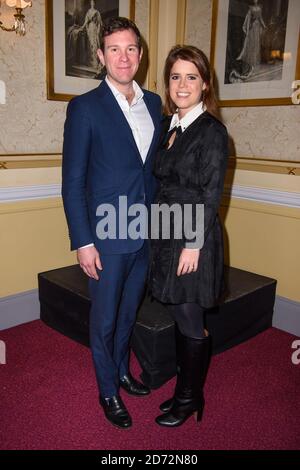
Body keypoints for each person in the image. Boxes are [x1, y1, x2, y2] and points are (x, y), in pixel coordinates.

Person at [62, 17, 162, 429]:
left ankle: (122, 370)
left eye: (131, 48)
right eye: (115, 49)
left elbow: (151, 171)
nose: (124, 57)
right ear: (101, 56)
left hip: (145, 231)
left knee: (127, 314)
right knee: (103, 320)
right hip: (104, 236)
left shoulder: (155, 103)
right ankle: (108, 390)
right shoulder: (85, 107)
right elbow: (72, 183)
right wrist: (84, 241)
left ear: (140, 54)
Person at [149, 45, 229, 427]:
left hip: (193, 235)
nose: (182, 84)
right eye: (175, 76)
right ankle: (187, 392)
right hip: (166, 230)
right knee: (180, 312)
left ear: (205, 85)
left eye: (191, 77)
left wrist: (193, 244)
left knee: (189, 315)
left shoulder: (212, 131)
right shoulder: (168, 125)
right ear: (167, 83)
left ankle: (188, 399)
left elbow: (210, 193)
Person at [236, 0, 266, 71]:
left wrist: (264, 25)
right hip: (252, 28)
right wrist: (247, 27)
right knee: (251, 43)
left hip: (257, 26)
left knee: (256, 43)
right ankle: (251, 61)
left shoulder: (259, 8)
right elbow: (248, 19)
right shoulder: (250, 8)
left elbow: (260, 18)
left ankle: (255, 61)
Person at [79, 0, 103, 71]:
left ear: (95, 3)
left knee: (95, 44)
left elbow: (99, 23)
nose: (92, 3)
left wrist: (98, 30)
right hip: (90, 29)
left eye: (94, 2)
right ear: (90, 3)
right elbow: (86, 21)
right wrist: (82, 27)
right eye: (91, 2)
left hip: (95, 29)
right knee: (90, 44)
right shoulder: (88, 12)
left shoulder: (97, 12)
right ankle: (90, 62)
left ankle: (95, 62)